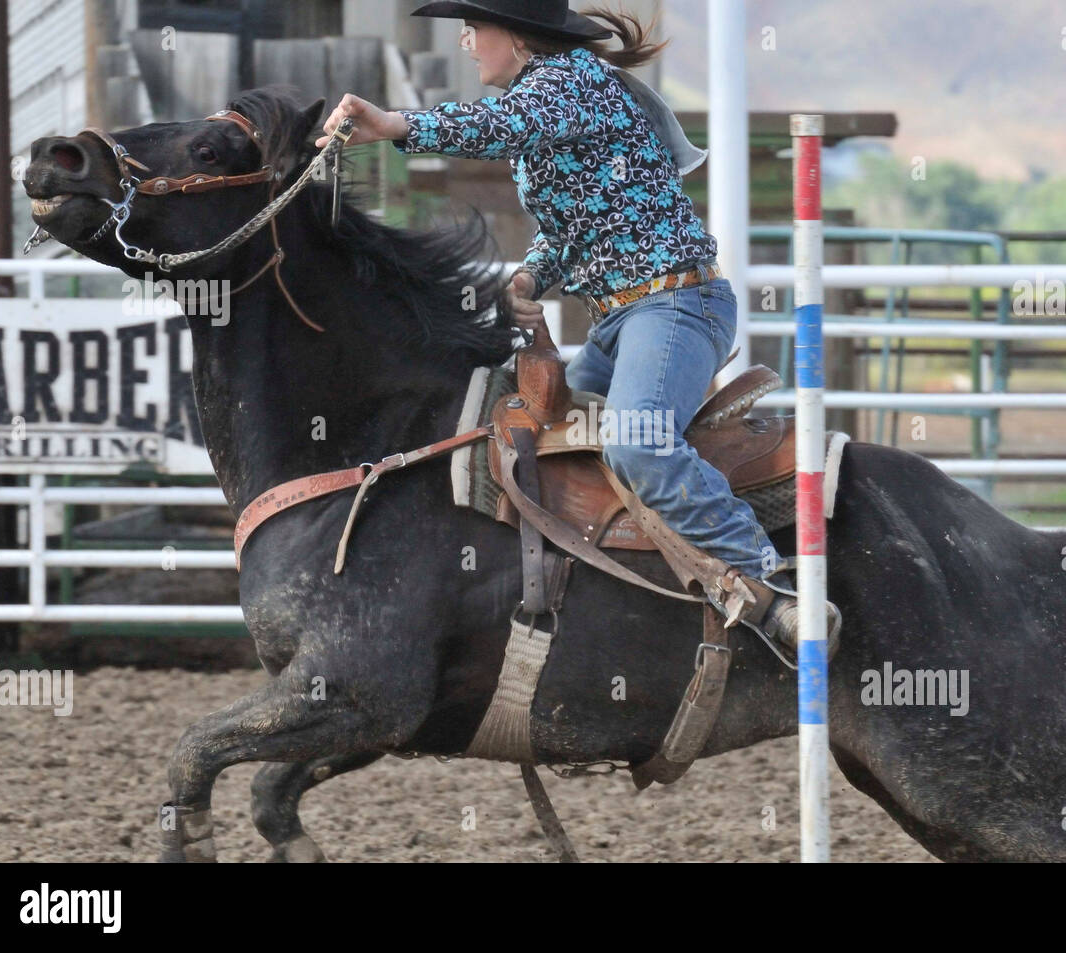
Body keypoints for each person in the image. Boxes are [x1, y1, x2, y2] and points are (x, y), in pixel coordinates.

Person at [317, 0, 839, 659]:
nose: (466, 39)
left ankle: (771, 587)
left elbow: (502, 126)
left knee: (639, 443)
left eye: (476, 27)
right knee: (535, 438)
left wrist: (393, 124)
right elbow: (572, 230)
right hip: (627, 318)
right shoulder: (566, 93)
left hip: (674, 307)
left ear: (518, 36)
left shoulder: (567, 82)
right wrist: (532, 278)